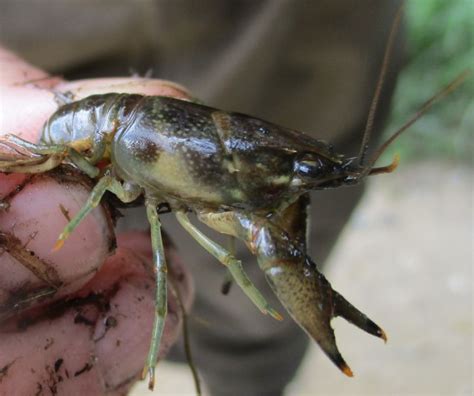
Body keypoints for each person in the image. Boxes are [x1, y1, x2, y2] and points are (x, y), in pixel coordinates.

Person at [0, 1, 403, 395]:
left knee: (280, 217)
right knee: (156, 270)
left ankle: (250, 374)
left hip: (285, 36)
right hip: (69, 113)